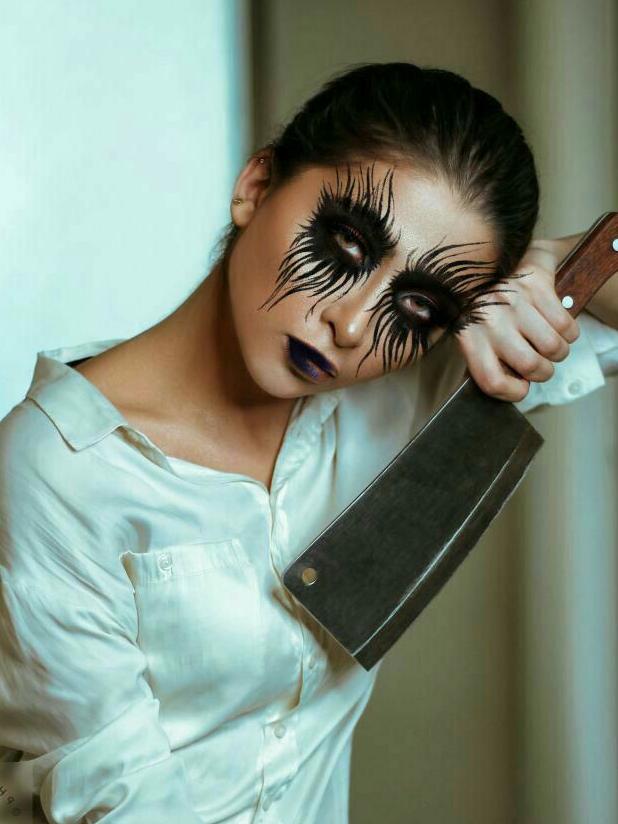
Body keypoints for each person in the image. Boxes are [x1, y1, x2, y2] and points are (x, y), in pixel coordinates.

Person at [1, 61, 617, 824]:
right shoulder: (55, 474)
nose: (352, 325)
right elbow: (117, 804)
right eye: (347, 246)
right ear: (256, 186)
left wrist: (557, 263)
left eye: (418, 303)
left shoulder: (411, 390)